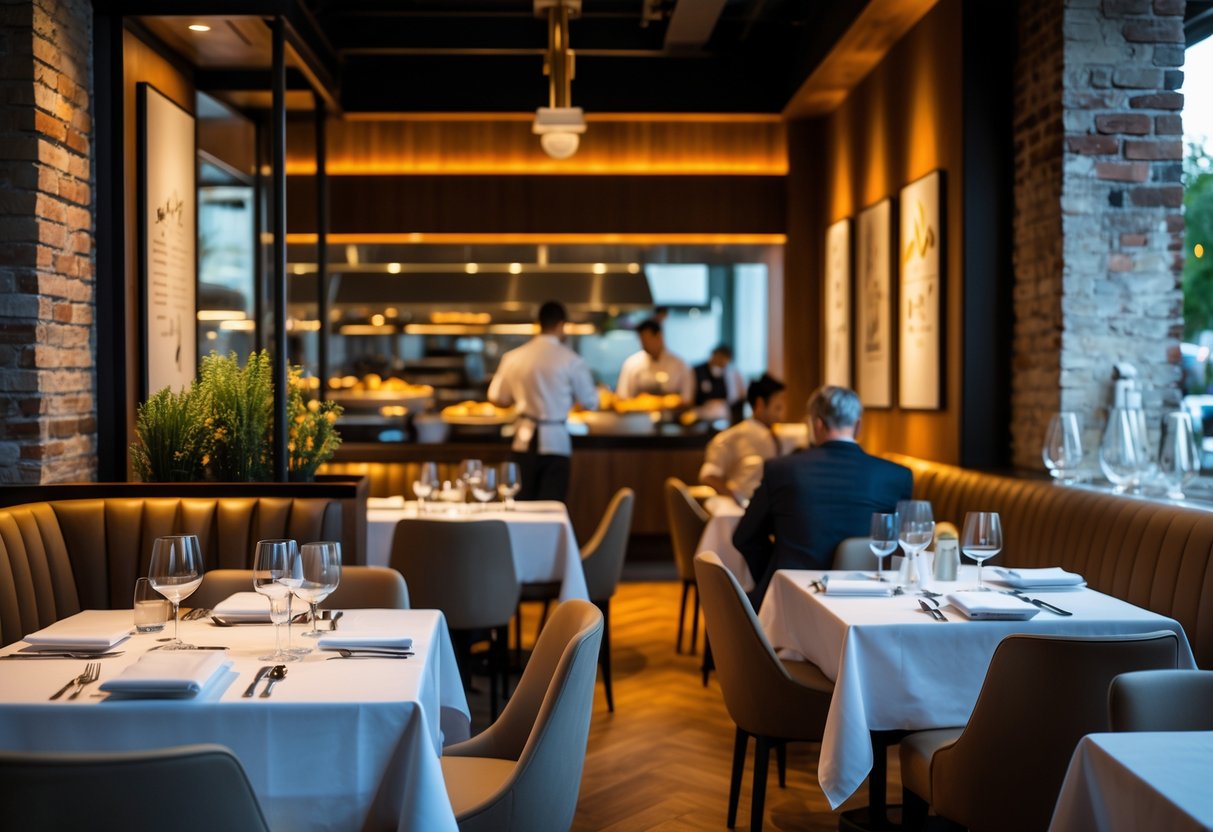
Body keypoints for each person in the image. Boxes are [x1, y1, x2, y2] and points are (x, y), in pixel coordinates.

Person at [732, 384, 913, 603]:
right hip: (867, 602)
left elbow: (745, 537)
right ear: (858, 426)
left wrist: (776, 578)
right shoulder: (896, 476)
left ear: (817, 424)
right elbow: (905, 549)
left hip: (791, 601)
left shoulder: (781, 470)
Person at [487, 301, 597, 503]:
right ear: (561, 324)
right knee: (551, 507)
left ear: (538, 323)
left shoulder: (513, 357)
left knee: (520, 504)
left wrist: (521, 400)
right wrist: (568, 401)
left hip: (523, 438)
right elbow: (590, 401)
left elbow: (497, 398)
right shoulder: (571, 360)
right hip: (556, 440)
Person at [699, 374, 787, 504]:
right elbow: (708, 477)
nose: (782, 416)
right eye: (778, 408)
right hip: (741, 513)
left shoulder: (778, 437)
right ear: (760, 403)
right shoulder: (732, 437)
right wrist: (736, 500)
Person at [615, 317, 695, 402]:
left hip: (671, 415)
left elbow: (687, 400)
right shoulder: (631, 364)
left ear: (659, 336)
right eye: (642, 341)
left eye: (647, 340)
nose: (644, 345)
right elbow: (623, 397)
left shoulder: (680, 365)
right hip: (638, 415)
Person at [693, 344, 747, 422]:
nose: (722, 363)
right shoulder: (698, 371)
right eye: (720, 358)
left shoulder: (731, 373)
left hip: (723, 413)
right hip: (702, 411)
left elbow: (736, 396)